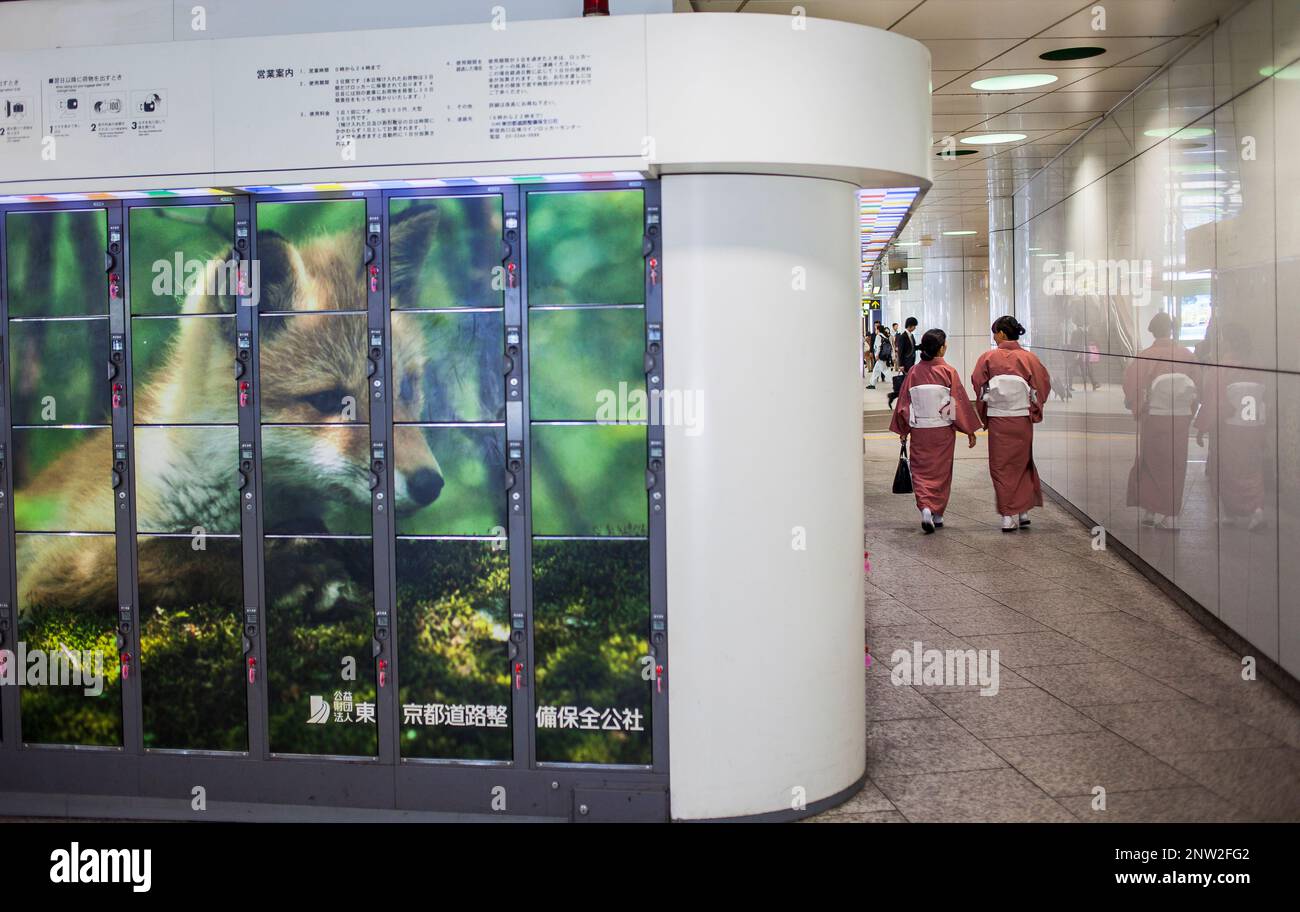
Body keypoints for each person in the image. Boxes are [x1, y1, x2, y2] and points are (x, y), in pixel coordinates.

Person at [889, 329, 981, 533]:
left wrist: (903, 429)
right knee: (941, 471)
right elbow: (958, 403)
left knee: (921, 470)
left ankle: (926, 509)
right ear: (940, 348)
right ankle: (938, 513)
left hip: (920, 429)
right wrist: (969, 430)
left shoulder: (913, 372)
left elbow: (904, 402)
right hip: (942, 430)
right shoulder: (948, 372)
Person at [970, 315, 1052, 532]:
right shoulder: (1029, 359)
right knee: (1022, 462)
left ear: (1002, 334)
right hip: (1021, 418)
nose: (994, 337)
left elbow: (978, 384)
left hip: (999, 417)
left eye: (995, 332)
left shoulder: (988, 358)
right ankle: (1023, 512)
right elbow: (1042, 386)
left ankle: (1008, 515)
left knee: (1001, 466)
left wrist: (984, 412)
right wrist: (1034, 410)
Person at [1123, 311, 1200, 530]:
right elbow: (1197, 387)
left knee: (1151, 461)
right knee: (1176, 464)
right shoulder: (1187, 355)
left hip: (1154, 417)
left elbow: (1132, 386)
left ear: (1152, 331)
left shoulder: (1145, 356)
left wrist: (1137, 406)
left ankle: (1150, 510)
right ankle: (1171, 515)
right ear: (1172, 329)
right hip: (1180, 418)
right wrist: (1190, 411)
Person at [868, 321, 892, 388]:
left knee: (885, 370)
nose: (875, 330)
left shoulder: (878, 336)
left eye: (876, 329)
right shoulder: (885, 336)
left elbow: (878, 346)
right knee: (876, 370)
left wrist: (876, 355)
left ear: (878, 330)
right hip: (884, 356)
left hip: (880, 356)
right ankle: (872, 384)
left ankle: (895, 382)